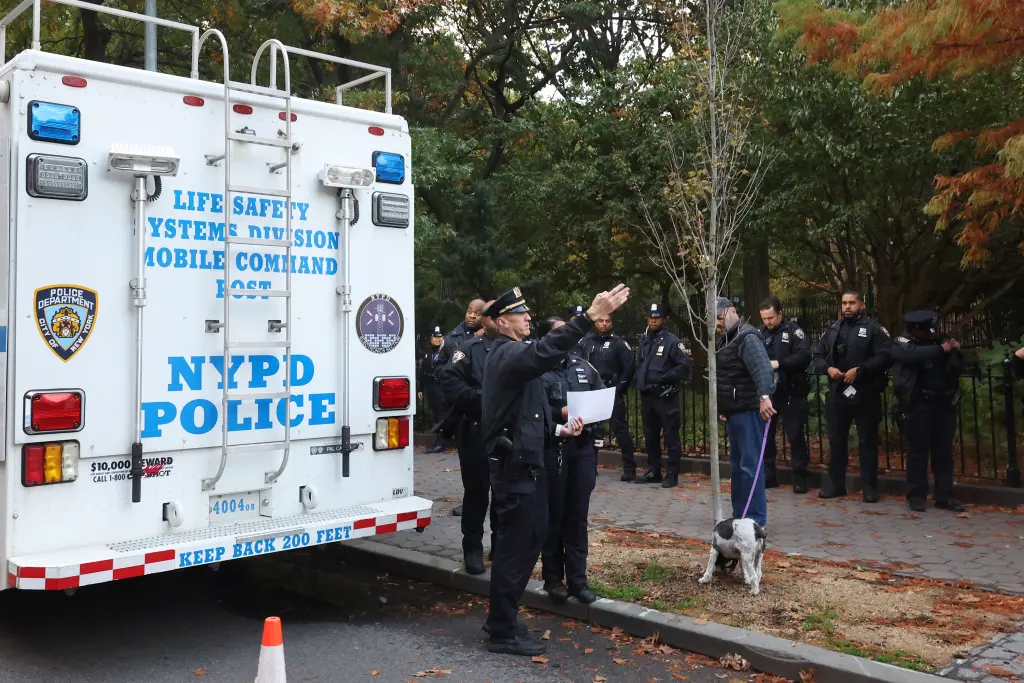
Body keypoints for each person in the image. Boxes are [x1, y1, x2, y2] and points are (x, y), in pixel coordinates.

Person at [481, 284, 629, 656]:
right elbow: (545, 351)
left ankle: (505, 621)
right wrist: (589, 317)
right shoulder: (508, 354)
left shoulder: (515, 358)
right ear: (502, 322)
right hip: (515, 470)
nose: (528, 317)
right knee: (515, 551)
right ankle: (501, 630)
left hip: (528, 466)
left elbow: (530, 413)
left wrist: (560, 427)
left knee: (527, 545)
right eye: (520, 313)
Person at [535, 317, 604, 607]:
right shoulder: (535, 370)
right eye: (560, 332)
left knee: (577, 517)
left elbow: (600, 396)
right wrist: (560, 413)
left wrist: (596, 425)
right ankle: (553, 579)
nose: (568, 336)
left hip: (582, 450)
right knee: (554, 517)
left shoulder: (583, 366)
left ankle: (578, 580)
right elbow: (532, 411)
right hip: (552, 449)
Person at [437, 301, 500, 574]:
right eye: (500, 317)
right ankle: (472, 549)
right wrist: (484, 401)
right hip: (477, 432)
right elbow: (449, 381)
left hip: (509, 435)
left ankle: (501, 547)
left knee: (505, 495)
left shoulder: (519, 350)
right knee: (477, 495)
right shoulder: (470, 349)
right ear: (487, 320)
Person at [812, 290, 893, 503]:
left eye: (851, 303)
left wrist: (861, 370)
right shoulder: (833, 328)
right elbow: (818, 355)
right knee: (837, 440)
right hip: (838, 392)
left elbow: (886, 356)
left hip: (866, 393)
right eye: (844, 303)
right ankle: (836, 485)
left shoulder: (874, 329)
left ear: (861, 304)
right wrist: (828, 369)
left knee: (867, 440)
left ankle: (869, 488)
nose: (847, 307)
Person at [888, 310, 965, 513]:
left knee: (943, 452)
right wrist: (941, 349)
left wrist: (955, 350)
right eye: (927, 331)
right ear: (915, 329)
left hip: (943, 403)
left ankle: (945, 496)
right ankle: (916, 495)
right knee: (918, 451)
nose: (932, 334)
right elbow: (907, 356)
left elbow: (957, 365)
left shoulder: (940, 341)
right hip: (919, 403)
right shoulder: (903, 343)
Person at [715, 297, 776, 528]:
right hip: (735, 410)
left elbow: (762, 368)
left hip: (749, 410)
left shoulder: (746, 337)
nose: (719, 324)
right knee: (739, 467)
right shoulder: (726, 338)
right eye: (715, 320)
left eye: (720, 317)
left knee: (751, 466)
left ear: (731, 311)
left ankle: (755, 519)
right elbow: (728, 377)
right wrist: (725, 407)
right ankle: (741, 514)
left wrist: (764, 397)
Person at [757, 297, 812, 493]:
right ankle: (768, 476)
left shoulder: (793, 331)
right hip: (769, 393)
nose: (768, 322)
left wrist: (780, 363)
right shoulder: (758, 333)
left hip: (791, 391)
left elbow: (805, 356)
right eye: (764, 318)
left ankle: (800, 477)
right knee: (766, 436)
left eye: (771, 317)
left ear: (779, 314)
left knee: (795, 435)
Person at [634, 302, 692, 488]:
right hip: (648, 396)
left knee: (670, 436)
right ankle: (654, 471)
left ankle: (672, 474)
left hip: (665, 397)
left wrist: (666, 379)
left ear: (663, 319)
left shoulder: (672, 341)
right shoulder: (645, 340)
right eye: (651, 317)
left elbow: (684, 366)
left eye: (657, 317)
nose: (653, 320)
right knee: (650, 436)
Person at [582, 313, 637, 481]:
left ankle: (629, 468)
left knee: (620, 431)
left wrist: (618, 389)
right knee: (590, 431)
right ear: (595, 323)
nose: (604, 324)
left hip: (611, 392)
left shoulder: (618, 344)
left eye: (607, 321)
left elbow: (629, 367)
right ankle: (590, 466)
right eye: (600, 321)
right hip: (592, 393)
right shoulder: (588, 343)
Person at [429, 299, 486, 454]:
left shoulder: (490, 336)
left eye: (477, 313)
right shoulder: (450, 338)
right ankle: (443, 439)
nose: (472, 316)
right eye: (469, 311)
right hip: (457, 393)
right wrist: (450, 377)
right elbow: (437, 365)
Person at [418, 326, 448, 452]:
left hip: (440, 385)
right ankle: (437, 439)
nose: (437, 339)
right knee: (434, 413)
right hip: (430, 385)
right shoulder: (427, 352)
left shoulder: (446, 352)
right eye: (435, 337)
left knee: (442, 413)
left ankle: (442, 442)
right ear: (431, 338)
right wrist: (420, 388)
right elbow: (423, 371)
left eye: (439, 337)